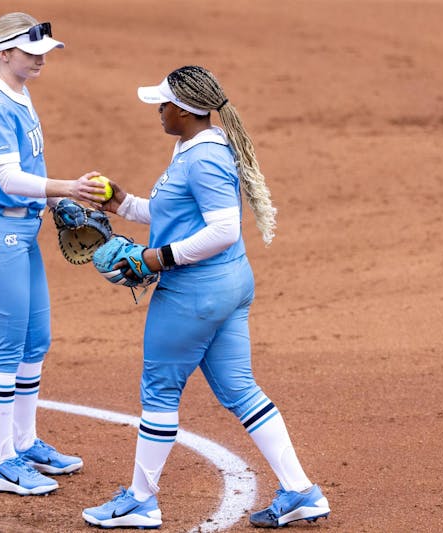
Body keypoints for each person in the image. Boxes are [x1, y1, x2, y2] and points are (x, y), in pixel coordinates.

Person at [81, 66, 330, 528]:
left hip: (195, 294)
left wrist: (155, 259)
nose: (158, 110)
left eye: (163, 104)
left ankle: (140, 500)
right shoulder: (193, 147)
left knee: (159, 391)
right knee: (240, 390)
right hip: (226, 286)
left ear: (183, 110)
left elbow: (223, 229)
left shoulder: (203, 158)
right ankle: (301, 491)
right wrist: (120, 202)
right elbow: (171, 212)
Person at [0, 12, 106, 496]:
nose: (40, 60)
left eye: (43, 53)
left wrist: (55, 201)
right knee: (5, 349)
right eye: (31, 53)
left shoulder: (19, 92)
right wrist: (68, 188)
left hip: (21, 233)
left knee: (35, 341)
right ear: (4, 53)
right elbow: (8, 180)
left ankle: (24, 442)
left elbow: (27, 170)